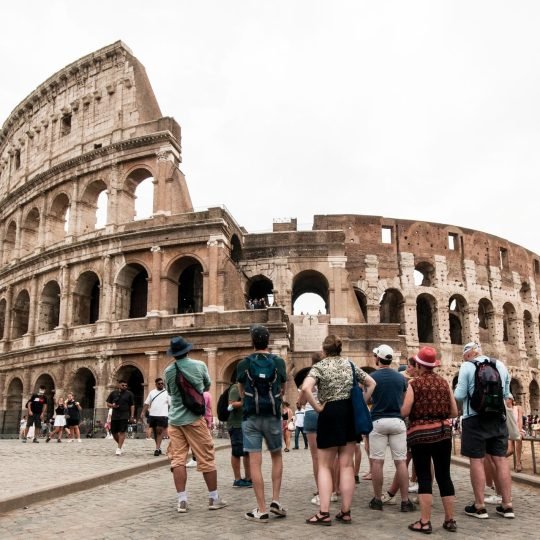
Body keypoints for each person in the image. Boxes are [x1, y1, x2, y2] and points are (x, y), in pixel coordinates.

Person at [301, 334, 376, 525]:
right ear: (339, 349)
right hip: (348, 413)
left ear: (324, 350)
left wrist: (317, 407)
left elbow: (305, 388)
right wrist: (362, 402)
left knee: (325, 465)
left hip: (329, 412)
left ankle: (324, 512)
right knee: (347, 466)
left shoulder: (320, 366)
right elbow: (371, 383)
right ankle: (345, 511)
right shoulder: (349, 364)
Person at [164, 336, 227, 513]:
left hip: (175, 420)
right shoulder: (200, 365)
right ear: (187, 350)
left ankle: (182, 501)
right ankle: (213, 498)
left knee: (178, 460)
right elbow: (206, 386)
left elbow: (169, 391)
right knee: (206, 457)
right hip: (194, 419)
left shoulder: (168, 371)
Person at [401, 347, 458, 534]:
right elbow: (454, 412)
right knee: (444, 476)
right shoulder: (444, 383)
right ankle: (450, 520)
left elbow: (406, 411)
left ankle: (424, 522)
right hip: (443, 434)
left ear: (418, 364)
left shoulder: (414, 384)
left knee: (424, 476)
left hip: (421, 436)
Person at [454, 342, 514, 519]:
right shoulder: (500, 365)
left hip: (474, 418)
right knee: (500, 460)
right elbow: (507, 395)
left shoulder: (466, 366)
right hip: (497, 418)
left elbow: (459, 395)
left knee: (477, 461)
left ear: (467, 355)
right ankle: (507, 505)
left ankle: (479, 506)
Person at [237, 324, 288, 523]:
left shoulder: (245, 363)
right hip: (273, 415)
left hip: (251, 416)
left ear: (252, 341)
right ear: (268, 341)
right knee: (276, 456)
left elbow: (241, 391)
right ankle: (275, 500)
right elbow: (282, 389)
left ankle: (262, 509)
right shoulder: (278, 362)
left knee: (255, 462)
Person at [368, 344, 415, 513]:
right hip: (397, 421)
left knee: (377, 462)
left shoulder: (371, 377)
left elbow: (367, 399)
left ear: (377, 358)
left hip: (378, 421)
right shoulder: (401, 379)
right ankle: (405, 500)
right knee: (401, 462)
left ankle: (378, 499)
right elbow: (404, 400)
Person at [227, 373, 252, 488]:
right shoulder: (235, 388)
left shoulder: (248, 387)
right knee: (237, 452)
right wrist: (243, 403)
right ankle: (237, 480)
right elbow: (231, 404)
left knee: (247, 452)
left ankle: (248, 478)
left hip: (246, 424)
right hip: (236, 425)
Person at [141, 377, 170, 456]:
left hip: (162, 415)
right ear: (156, 384)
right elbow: (147, 403)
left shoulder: (167, 393)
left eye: (162, 383)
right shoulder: (152, 392)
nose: (161, 385)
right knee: (155, 432)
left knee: (159, 431)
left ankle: (157, 449)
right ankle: (159, 447)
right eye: (159, 383)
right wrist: (143, 412)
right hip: (153, 415)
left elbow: (171, 404)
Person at [106, 380, 136, 456]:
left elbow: (132, 405)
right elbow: (107, 403)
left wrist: (132, 416)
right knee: (113, 432)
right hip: (115, 415)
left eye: (126, 385)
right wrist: (113, 406)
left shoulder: (129, 394)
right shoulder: (113, 393)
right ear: (119, 385)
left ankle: (119, 448)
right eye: (123, 385)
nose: (125, 387)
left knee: (122, 431)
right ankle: (120, 444)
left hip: (124, 415)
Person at [506, 394, 524, 472]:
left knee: (518, 438)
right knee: (510, 450)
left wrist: (519, 430)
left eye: (508, 399)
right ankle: (497, 460)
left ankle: (518, 463)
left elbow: (520, 420)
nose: (506, 400)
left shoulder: (518, 408)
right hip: (510, 431)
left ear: (512, 400)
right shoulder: (505, 410)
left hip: (518, 430)